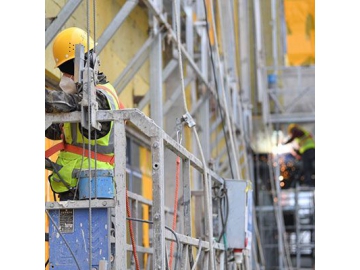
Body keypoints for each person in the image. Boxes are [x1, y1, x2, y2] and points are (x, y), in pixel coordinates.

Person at [45, 27, 124, 200]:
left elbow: (63, 103)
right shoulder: (83, 101)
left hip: (94, 187)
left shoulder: (100, 97)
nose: (65, 77)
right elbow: (58, 130)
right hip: (74, 186)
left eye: (68, 69)